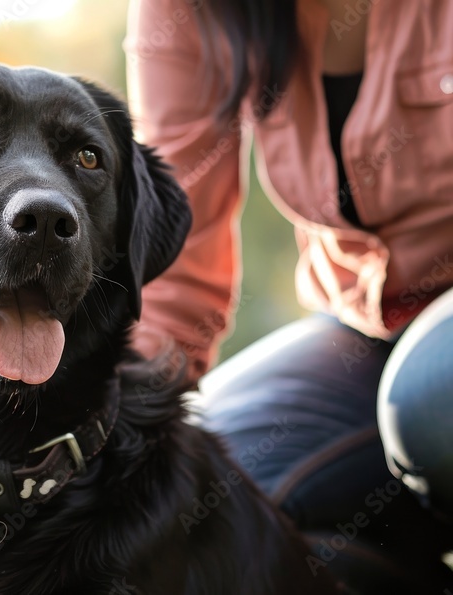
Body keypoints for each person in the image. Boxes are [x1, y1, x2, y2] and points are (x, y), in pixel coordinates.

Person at [124, 0, 453, 591]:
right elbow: (174, 262)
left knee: (434, 402)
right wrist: (111, 435)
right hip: (367, 322)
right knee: (200, 507)